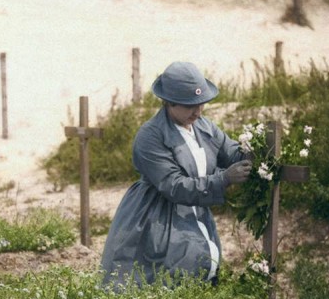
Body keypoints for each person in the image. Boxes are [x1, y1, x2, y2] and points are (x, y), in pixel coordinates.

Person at [100, 61, 252, 287]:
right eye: (189, 105)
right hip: (157, 215)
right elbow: (173, 185)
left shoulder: (204, 127)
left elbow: (230, 152)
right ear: (169, 103)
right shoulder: (150, 136)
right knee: (160, 274)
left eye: (201, 104)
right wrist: (223, 179)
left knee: (202, 262)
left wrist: (259, 150)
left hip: (195, 208)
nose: (198, 111)